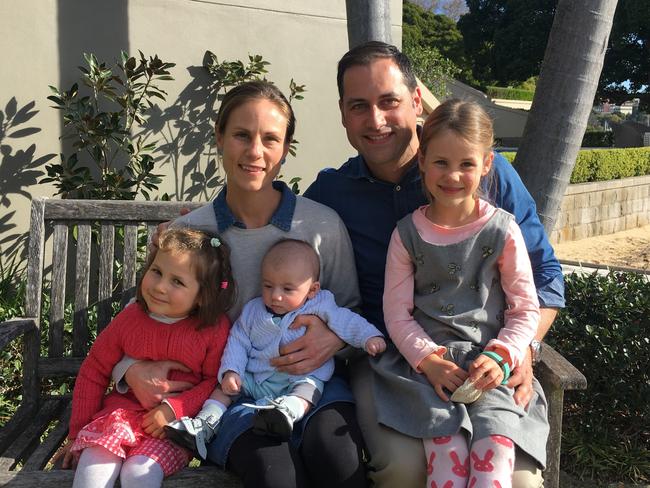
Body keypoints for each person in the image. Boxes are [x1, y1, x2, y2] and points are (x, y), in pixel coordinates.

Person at [302, 41, 565, 487]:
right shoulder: (331, 194)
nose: (376, 119)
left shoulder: (487, 173)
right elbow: (270, 227)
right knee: (406, 468)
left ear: (416, 101)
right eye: (359, 106)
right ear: (343, 115)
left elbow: (546, 281)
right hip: (391, 360)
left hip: (489, 355)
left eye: (389, 101)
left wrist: (524, 349)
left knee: (518, 479)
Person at [112, 80, 370, 488]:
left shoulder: (321, 225)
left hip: (311, 387)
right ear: (219, 137)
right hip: (226, 394)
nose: (255, 152)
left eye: (270, 139)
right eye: (241, 135)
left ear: (285, 149)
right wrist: (129, 369)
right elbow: (140, 320)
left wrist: (334, 340)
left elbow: (352, 313)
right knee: (277, 476)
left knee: (339, 463)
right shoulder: (187, 234)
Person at [371, 98, 548, 488]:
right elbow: (397, 314)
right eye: (441, 162)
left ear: (487, 164)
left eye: (467, 164)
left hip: (491, 366)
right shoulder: (405, 235)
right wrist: (428, 360)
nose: (453, 175)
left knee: (496, 454)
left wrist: (505, 355)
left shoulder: (503, 231)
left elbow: (525, 307)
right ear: (422, 162)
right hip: (429, 372)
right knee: (446, 458)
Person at [165, 239, 385, 458]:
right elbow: (238, 340)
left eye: (287, 289)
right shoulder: (254, 310)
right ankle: (205, 423)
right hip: (257, 378)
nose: (275, 296)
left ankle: (285, 413)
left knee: (309, 389)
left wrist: (369, 337)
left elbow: (347, 321)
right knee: (224, 390)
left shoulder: (321, 305)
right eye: (268, 286)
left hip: (299, 377)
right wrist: (232, 371)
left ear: (312, 289)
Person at [54, 228, 235, 488]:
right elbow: (94, 369)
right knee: (94, 467)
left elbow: (212, 382)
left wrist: (175, 409)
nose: (160, 287)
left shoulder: (213, 330)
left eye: (177, 282)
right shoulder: (130, 319)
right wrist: (76, 433)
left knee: (139, 474)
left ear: (203, 295)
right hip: (118, 416)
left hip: (169, 429)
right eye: (157, 272)